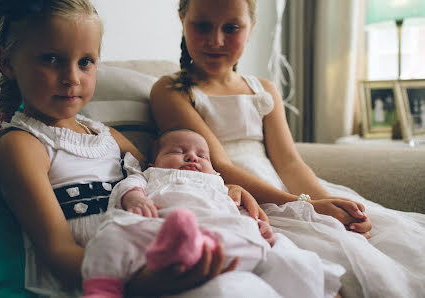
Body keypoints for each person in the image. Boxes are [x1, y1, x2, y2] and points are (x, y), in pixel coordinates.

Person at [0, 1, 272, 297]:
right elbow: (58, 251)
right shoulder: (22, 144)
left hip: (159, 255)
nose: (72, 77)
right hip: (97, 280)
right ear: (7, 62)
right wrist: (139, 284)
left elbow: (163, 179)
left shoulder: (105, 135)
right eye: (51, 59)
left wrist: (223, 190)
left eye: (85, 62)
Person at [149, 0, 425, 297]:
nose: (216, 40)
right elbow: (221, 166)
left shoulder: (264, 90)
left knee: (388, 247)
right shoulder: (171, 90)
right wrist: (302, 207)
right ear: (182, 20)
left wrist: (327, 204)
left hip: (288, 191)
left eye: (231, 28)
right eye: (202, 26)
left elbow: (290, 163)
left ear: (252, 27)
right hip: (244, 200)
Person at [81, 128, 344, 298]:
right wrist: (135, 197)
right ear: (153, 163)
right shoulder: (150, 176)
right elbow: (129, 185)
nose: (191, 158)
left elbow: (234, 210)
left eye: (201, 155)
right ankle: (103, 288)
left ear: (214, 168)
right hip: (160, 228)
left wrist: (256, 225)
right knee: (113, 231)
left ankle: (195, 248)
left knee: (285, 255)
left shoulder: (219, 183)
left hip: (221, 234)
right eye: (178, 151)